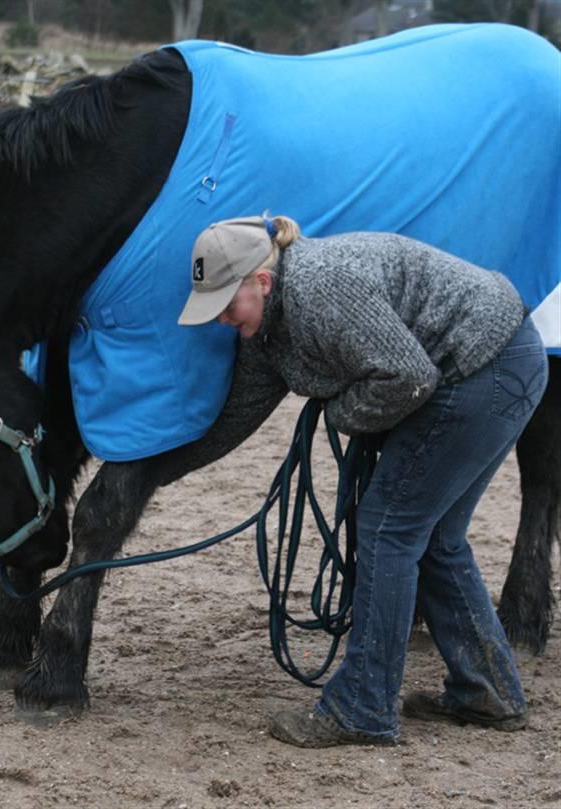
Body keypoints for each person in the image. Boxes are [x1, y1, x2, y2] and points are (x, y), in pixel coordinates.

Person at [177, 215, 549, 748]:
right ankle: (488, 690)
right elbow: (237, 417)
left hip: (482, 369)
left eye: (224, 305)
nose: (220, 321)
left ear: (261, 282)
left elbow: (409, 376)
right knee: (434, 535)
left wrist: (344, 414)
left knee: (386, 528)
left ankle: (362, 707)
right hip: (502, 359)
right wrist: (162, 472)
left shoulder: (319, 288)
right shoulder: (267, 330)